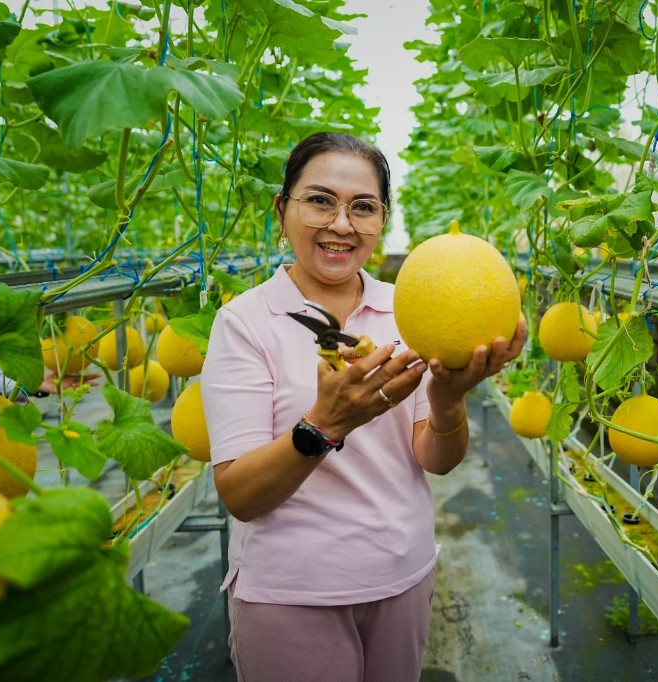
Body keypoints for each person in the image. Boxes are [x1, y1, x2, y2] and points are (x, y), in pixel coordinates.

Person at [200, 131, 525, 682]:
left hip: (403, 573)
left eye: (363, 207)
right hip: (290, 593)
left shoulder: (412, 311)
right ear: (282, 210)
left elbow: (437, 459)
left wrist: (448, 401)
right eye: (319, 200)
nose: (342, 224)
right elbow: (241, 495)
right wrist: (324, 425)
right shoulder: (244, 323)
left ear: (382, 220)